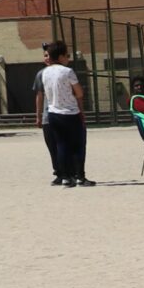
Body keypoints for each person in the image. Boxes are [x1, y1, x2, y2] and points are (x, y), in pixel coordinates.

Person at [36, 40, 91, 186]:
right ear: (60, 57)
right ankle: (80, 177)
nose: (68, 58)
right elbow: (79, 92)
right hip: (70, 113)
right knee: (78, 145)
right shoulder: (67, 71)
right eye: (67, 55)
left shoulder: (44, 73)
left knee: (61, 145)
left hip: (53, 113)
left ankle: (65, 177)